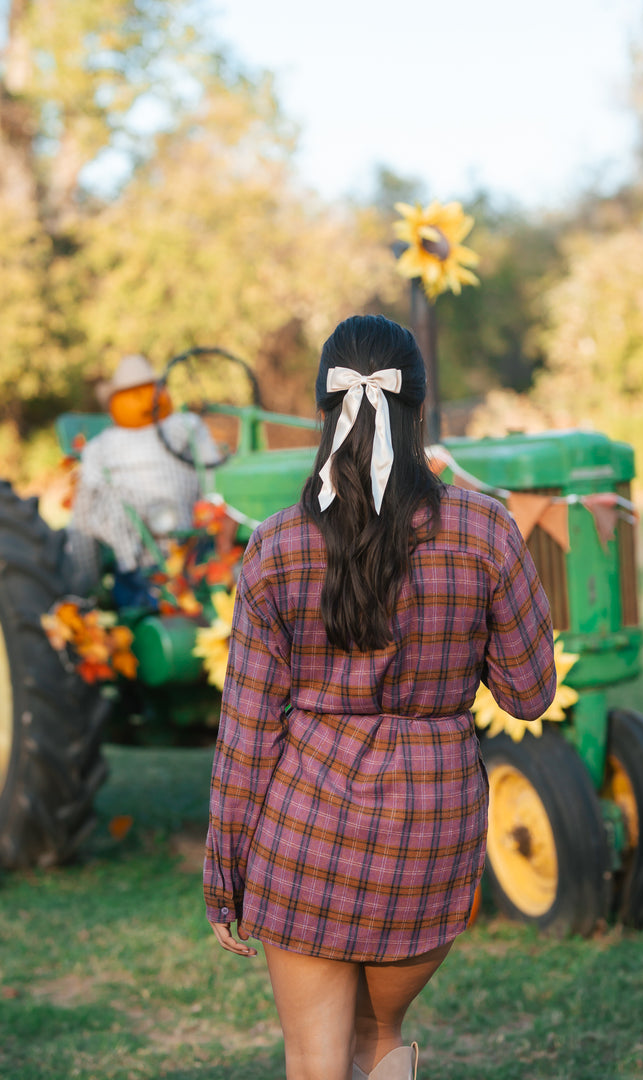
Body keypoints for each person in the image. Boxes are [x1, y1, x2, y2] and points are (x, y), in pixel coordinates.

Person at [203, 314, 557, 1080]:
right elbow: (530, 696)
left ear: (326, 412)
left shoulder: (275, 545)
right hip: (427, 832)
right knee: (378, 1037)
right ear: (420, 411)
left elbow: (247, 734)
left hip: (302, 832)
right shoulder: (487, 531)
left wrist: (225, 869)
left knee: (313, 1060)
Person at [65, 353, 218, 596]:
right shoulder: (102, 447)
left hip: (181, 545)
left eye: (148, 392)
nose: (144, 402)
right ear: (115, 402)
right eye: (132, 395)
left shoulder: (185, 426)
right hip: (155, 550)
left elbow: (213, 473)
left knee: (83, 522)